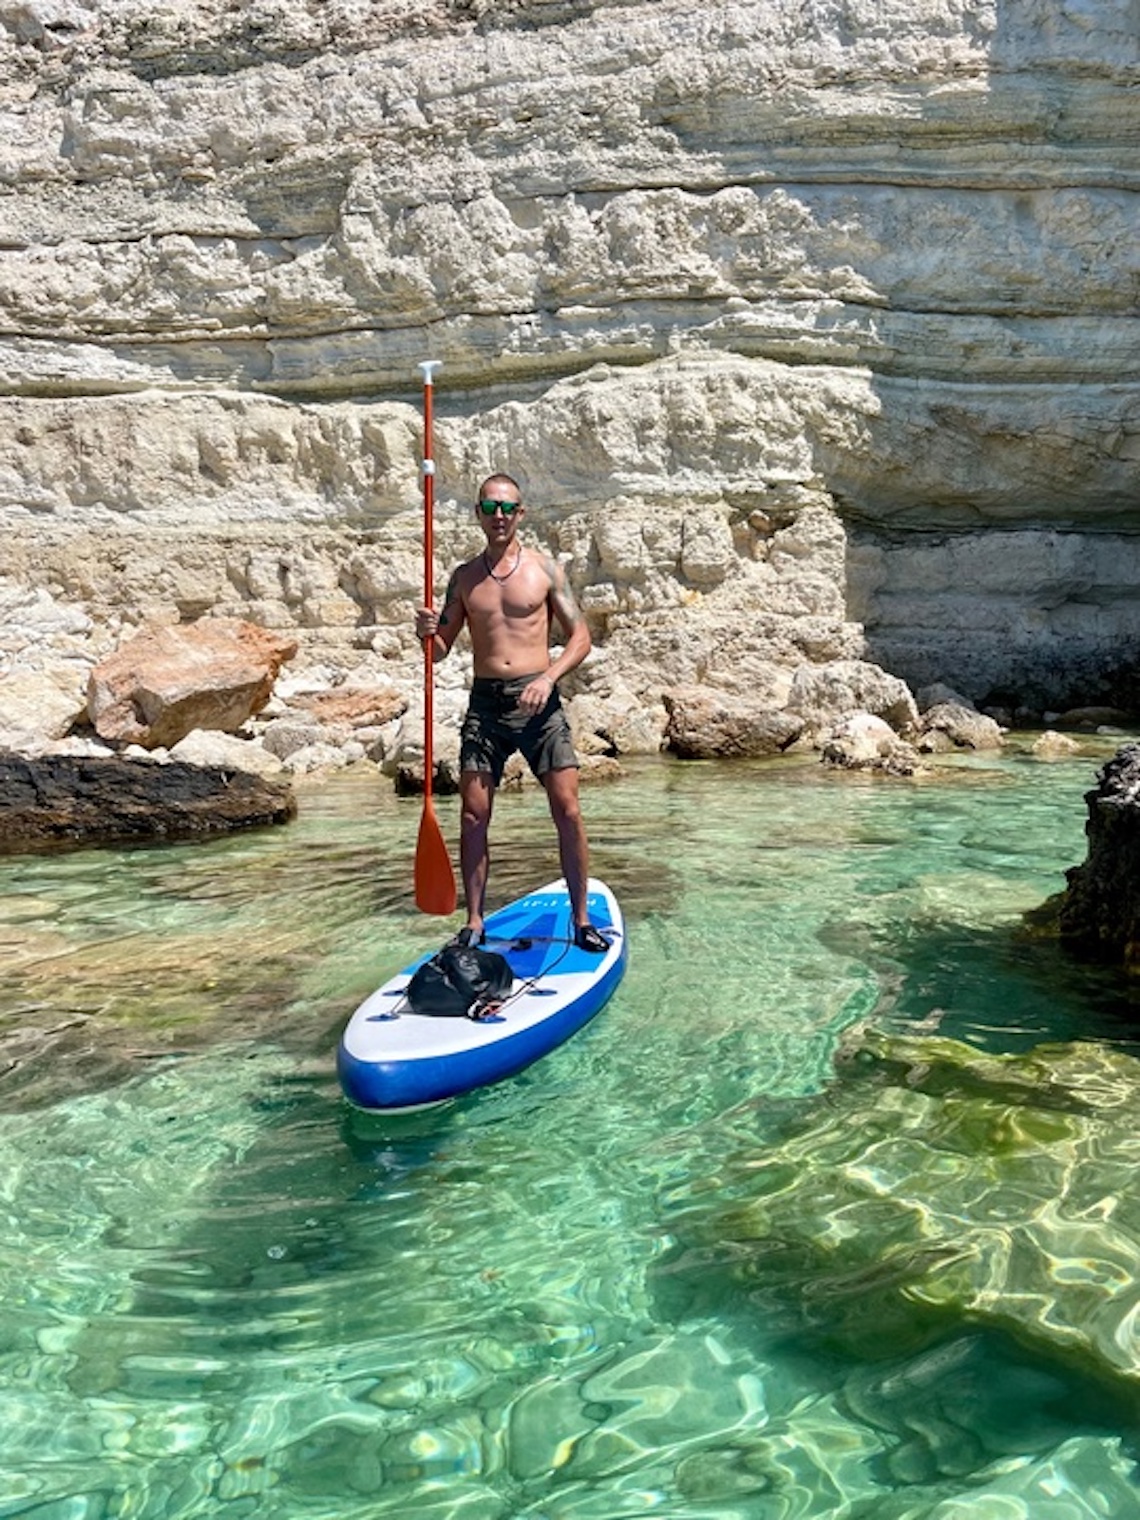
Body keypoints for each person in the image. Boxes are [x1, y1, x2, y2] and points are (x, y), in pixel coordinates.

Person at [415, 472, 609, 953]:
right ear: (478, 514)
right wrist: (426, 633)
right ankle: (474, 922)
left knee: (567, 810)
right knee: (473, 815)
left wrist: (548, 678)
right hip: (486, 705)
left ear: (521, 513)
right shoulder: (464, 578)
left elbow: (581, 638)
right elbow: (438, 651)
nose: (498, 516)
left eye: (507, 508)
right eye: (489, 508)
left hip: (539, 702)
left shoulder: (545, 570)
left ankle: (581, 919)